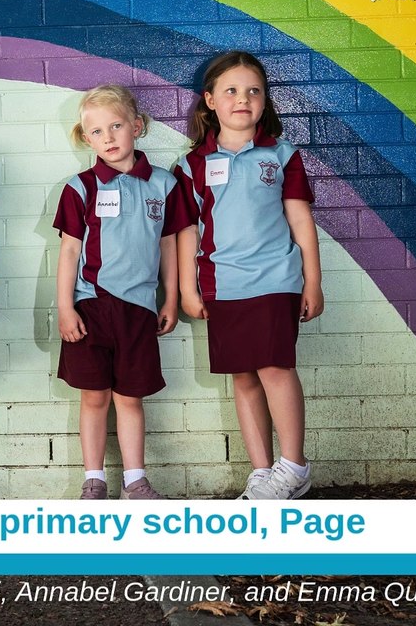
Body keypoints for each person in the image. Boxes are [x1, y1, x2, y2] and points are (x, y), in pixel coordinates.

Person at [174, 51, 324, 500]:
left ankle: (293, 468)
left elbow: (301, 221)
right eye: (232, 91)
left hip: (276, 280)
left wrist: (313, 281)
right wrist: (186, 288)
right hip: (223, 285)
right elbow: (187, 231)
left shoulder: (282, 155)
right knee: (243, 376)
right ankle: (262, 473)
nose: (243, 99)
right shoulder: (191, 165)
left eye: (254, 91)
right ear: (210, 101)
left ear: (265, 100)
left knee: (275, 368)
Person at [54, 85, 184, 500]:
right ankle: (93, 480)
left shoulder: (164, 184)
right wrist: (65, 308)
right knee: (94, 398)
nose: (108, 137)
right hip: (90, 308)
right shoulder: (80, 188)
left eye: (116, 126)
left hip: (138, 309)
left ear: (137, 126)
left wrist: (171, 297)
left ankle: (135, 481)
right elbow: (69, 251)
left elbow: (169, 244)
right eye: (96, 131)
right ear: (86, 138)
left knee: (130, 399)